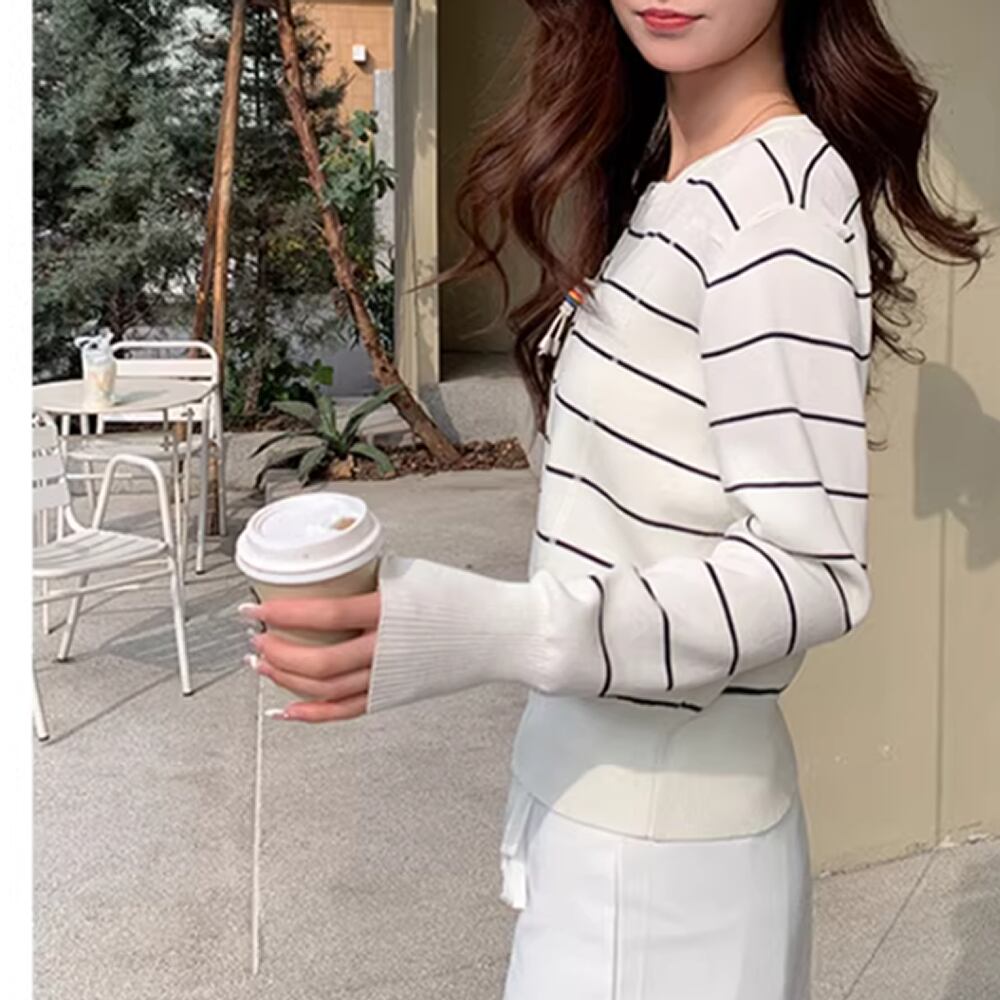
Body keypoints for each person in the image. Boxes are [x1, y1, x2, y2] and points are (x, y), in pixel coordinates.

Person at [239, 2, 989, 997]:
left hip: (661, 879)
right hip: (604, 832)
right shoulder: (675, 181)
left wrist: (486, 627)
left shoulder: (774, 214)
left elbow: (809, 572)